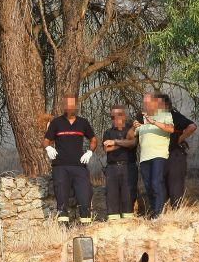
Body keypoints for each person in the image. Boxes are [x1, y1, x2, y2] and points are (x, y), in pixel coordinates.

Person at [43, 94, 98, 224]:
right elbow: (46, 140)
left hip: (79, 166)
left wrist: (90, 151)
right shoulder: (56, 122)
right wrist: (48, 148)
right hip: (60, 167)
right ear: (64, 106)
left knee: (84, 197)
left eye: (72, 105)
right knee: (61, 199)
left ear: (76, 106)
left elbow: (94, 139)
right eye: (67, 105)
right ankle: (63, 229)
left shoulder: (83, 122)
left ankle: (85, 227)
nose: (70, 107)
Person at [127, 93, 174, 217]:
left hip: (159, 155)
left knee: (156, 183)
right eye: (144, 103)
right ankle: (154, 213)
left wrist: (153, 122)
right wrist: (133, 127)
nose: (146, 105)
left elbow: (171, 129)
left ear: (155, 103)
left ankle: (159, 214)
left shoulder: (165, 115)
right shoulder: (142, 119)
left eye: (148, 102)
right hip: (144, 158)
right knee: (148, 186)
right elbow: (130, 137)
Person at [156, 94, 197, 207]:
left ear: (166, 105)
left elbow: (192, 126)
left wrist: (179, 139)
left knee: (175, 188)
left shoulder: (174, 116)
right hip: (161, 156)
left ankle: (177, 214)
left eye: (159, 104)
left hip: (175, 155)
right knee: (162, 188)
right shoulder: (155, 119)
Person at [101, 106, 136, 220]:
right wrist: (124, 143)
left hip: (128, 167)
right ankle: (113, 223)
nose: (115, 118)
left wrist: (115, 142)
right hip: (112, 168)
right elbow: (107, 149)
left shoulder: (131, 130)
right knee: (112, 196)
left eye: (118, 115)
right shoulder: (108, 132)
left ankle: (128, 222)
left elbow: (133, 144)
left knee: (128, 195)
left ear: (124, 116)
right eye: (112, 116)